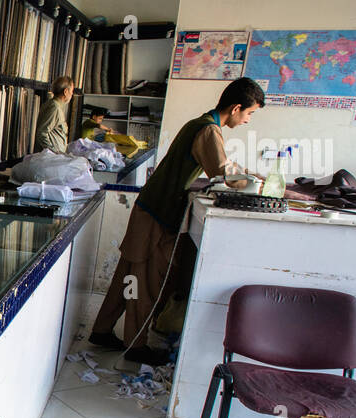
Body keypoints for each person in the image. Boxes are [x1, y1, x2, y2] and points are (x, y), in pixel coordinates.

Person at [88, 78, 266, 365]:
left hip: (149, 207)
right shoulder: (209, 130)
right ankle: (136, 346)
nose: (248, 120)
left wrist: (247, 174)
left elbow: (222, 167)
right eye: (250, 113)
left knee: (128, 274)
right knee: (145, 281)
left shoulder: (198, 123)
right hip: (159, 213)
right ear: (235, 108)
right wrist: (259, 182)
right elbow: (221, 170)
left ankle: (101, 330)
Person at [33, 75, 74, 153]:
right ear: (65, 92)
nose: (72, 94)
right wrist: (54, 152)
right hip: (51, 159)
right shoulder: (55, 108)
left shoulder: (52, 104)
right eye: (71, 91)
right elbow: (42, 133)